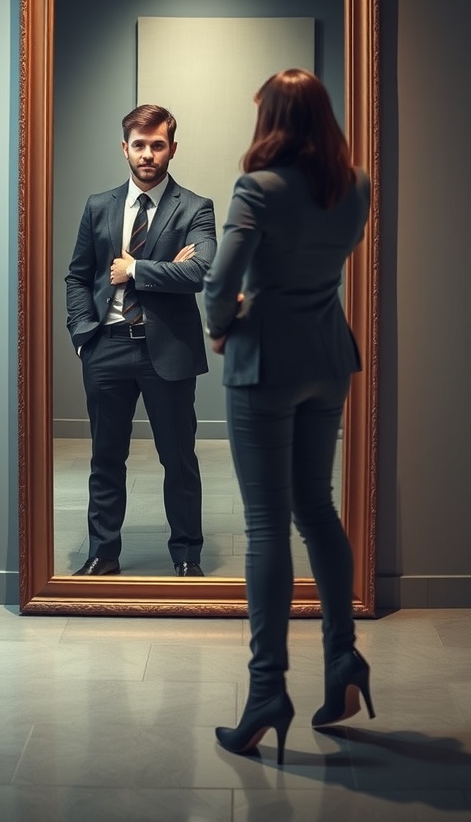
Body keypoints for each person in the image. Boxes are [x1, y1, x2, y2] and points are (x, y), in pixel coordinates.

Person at [203, 68, 373, 765]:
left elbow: (221, 278)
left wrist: (223, 322)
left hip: (264, 363)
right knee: (318, 510)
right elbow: (325, 264)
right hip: (327, 358)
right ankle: (343, 663)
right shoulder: (355, 185)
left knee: (267, 524)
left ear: (271, 117)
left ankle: (267, 692)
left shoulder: (258, 188)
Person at [66, 103, 217, 578]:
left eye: (158, 145)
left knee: (179, 459)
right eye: (139, 145)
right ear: (124, 148)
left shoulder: (196, 207)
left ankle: (187, 554)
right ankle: (103, 552)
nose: (148, 154)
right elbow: (77, 276)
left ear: (172, 147)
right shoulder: (99, 206)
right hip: (106, 347)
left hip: (168, 352)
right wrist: (81, 335)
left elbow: (198, 271)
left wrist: (136, 269)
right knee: (106, 457)